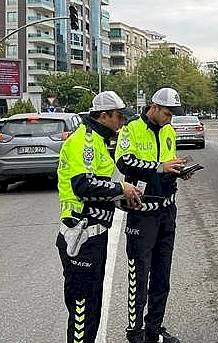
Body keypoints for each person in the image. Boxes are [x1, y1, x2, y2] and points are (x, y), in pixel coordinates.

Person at [57, 91, 143, 343]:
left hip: (95, 235)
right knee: (82, 310)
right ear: (103, 115)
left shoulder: (98, 142)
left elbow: (101, 184)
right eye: (118, 117)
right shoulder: (83, 142)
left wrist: (123, 197)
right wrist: (121, 189)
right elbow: (82, 185)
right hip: (81, 236)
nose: (122, 122)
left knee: (93, 304)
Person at [115, 87, 187, 343]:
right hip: (142, 213)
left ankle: (154, 330)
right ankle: (135, 333)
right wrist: (159, 167)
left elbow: (169, 161)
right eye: (167, 113)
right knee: (139, 275)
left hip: (167, 211)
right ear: (153, 108)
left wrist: (176, 169)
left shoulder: (169, 130)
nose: (170, 118)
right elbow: (124, 162)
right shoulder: (132, 128)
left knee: (161, 277)